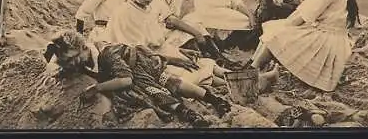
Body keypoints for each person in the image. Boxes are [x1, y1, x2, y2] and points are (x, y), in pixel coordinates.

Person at [43, 30, 231, 127]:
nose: (75, 64)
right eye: (70, 62)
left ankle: (211, 101)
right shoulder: (82, 60)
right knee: (158, 86)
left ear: (84, 47)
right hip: (129, 71)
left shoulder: (105, 54)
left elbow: (126, 80)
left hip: (137, 66)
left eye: (76, 59)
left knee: (158, 86)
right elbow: (64, 66)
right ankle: (191, 110)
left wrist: (98, 88)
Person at [244, 0, 361, 92]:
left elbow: (301, 18)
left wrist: (282, 27)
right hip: (327, 34)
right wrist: (282, 24)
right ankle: (253, 66)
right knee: (275, 29)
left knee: (276, 33)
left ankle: (251, 70)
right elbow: (300, 12)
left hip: (327, 41)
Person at [101, 0, 230, 88]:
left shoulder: (149, 10)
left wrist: (181, 51)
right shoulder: (124, 13)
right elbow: (137, 54)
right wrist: (174, 60)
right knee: (194, 72)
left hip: (162, 54)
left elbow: (157, 42)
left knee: (205, 64)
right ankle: (229, 83)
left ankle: (233, 77)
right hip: (148, 63)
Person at [152, 0, 241, 70]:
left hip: (171, 30)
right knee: (191, 31)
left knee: (194, 20)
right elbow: (171, 20)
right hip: (161, 36)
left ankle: (218, 58)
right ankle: (211, 61)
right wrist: (196, 33)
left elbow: (176, 18)